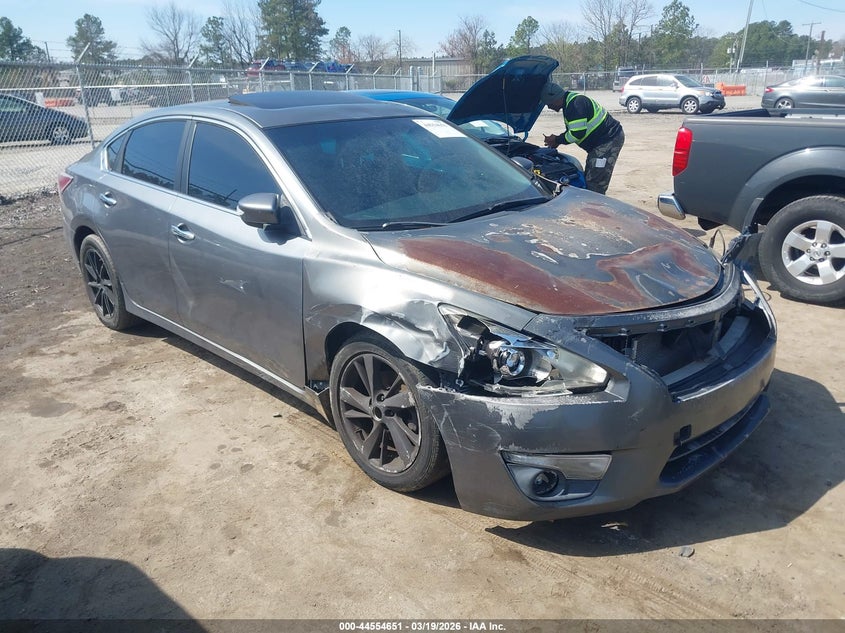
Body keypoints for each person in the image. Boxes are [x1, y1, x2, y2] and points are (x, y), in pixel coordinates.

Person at [539, 82, 625, 195]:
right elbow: (575, 129)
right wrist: (558, 141)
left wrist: (557, 139)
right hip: (601, 142)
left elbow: (577, 133)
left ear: (555, 98)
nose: (549, 106)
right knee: (591, 175)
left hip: (608, 140)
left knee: (595, 181)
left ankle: (595, 205)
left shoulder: (575, 104)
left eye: (548, 103)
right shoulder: (570, 102)